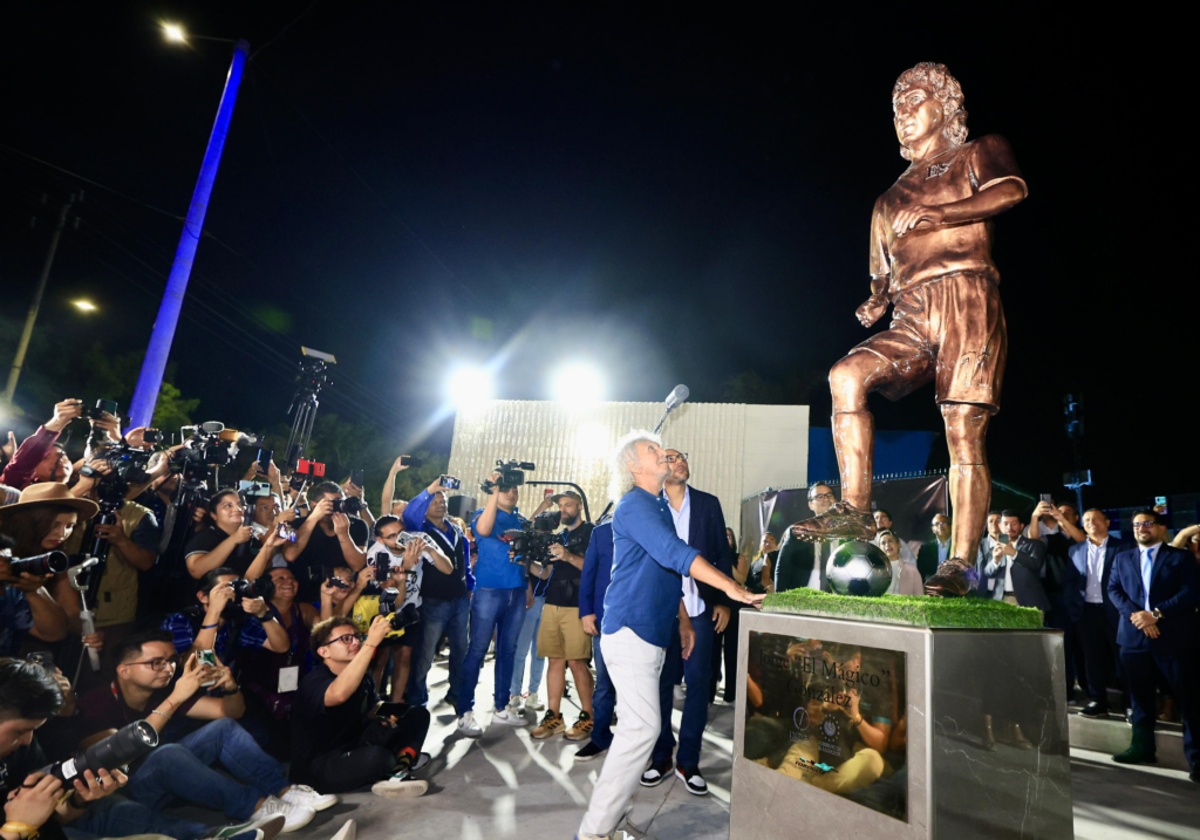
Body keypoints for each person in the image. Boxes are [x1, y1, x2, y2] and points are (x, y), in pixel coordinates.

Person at [790, 62, 1028, 571]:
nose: (902, 114)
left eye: (913, 101)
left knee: (962, 428)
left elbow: (1013, 190)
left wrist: (945, 213)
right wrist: (876, 298)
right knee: (845, 375)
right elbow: (882, 273)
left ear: (943, 106)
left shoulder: (975, 153)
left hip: (967, 296)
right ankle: (854, 507)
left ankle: (960, 561)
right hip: (911, 312)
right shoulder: (887, 199)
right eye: (895, 107)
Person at [576, 431, 762, 840]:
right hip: (629, 630)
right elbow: (676, 554)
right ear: (633, 466)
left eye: (663, 450)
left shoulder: (656, 504)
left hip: (652, 631)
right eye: (652, 451)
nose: (663, 455)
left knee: (637, 730)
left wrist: (681, 620)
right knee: (642, 729)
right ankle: (592, 832)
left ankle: (614, 817)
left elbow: (664, 572)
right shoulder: (635, 504)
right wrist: (732, 588)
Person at [74, 629, 334, 832]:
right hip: (118, 794)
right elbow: (111, 759)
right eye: (156, 663)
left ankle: (286, 792)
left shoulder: (160, 691)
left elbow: (229, 712)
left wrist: (231, 687)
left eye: (171, 661)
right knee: (168, 754)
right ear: (124, 671)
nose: (168, 669)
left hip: (160, 778)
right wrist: (174, 699)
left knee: (222, 728)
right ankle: (258, 808)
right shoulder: (96, 702)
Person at [0, 659, 257, 840]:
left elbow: (52, 821)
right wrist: (15, 828)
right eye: (20, 731)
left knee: (116, 805)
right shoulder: (101, 701)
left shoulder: (23, 749)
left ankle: (219, 829)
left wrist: (79, 800)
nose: (26, 740)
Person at [640, 450, 734, 795]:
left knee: (699, 685)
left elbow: (722, 555)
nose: (680, 462)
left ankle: (688, 760)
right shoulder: (650, 506)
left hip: (702, 609)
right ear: (660, 468)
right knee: (661, 684)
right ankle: (661, 755)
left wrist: (723, 600)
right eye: (671, 458)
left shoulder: (708, 504)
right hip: (662, 611)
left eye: (683, 458)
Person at [290, 615, 431, 798]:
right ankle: (394, 763)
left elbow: (372, 707)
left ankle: (398, 769)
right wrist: (370, 644)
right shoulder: (314, 681)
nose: (356, 642)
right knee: (377, 757)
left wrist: (390, 715)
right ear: (324, 652)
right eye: (346, 639)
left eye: (357, 637)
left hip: (353, 744)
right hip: (320, 766)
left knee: (416, 713)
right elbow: (338, 695)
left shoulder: (362, 674)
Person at [1106, 510, 1200, 781]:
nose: (1141, 528)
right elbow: (1114, 590)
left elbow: (1190, 592)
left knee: (1189, 700)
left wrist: (1156, 614)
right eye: (1136, 525)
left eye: (1147, 524)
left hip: (1173, 638)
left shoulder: (1179, 557)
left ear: (1160, 529)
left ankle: (1197, 760)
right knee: (1140, 699)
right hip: (1134, 639)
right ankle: (1142, 750)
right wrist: (1139, 618)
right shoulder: (1122, 557)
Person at [456, 472, 531, 736]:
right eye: (505, 490)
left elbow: (526, 558)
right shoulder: (481, 514)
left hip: (517, 591)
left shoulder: (520, 520)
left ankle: (502, 706)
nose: (511, 494)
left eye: (514, 490)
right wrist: (493, 491)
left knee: (508, 650)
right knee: (477, 650)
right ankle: (464, 711)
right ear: (496, 492)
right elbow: (485, 531)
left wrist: (528, 586)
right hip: (489, 591)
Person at [530, 491, 595, 741]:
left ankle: (587, 716)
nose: (563, 509)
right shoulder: (558, 536)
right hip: (552, 603)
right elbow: (545, 573)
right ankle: (553, 717)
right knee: (554, 661)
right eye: (561, 506)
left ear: (579, 507)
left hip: (578, 606)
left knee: (577, 661)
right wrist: (524, 564)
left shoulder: (591, 532)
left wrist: (567, 555)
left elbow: (593, 567)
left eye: (569, 505)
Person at [401, 480, 472, 708]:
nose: (441, 505)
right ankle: (416, 698)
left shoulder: (457, 531)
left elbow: (465, 565)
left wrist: (469, 588)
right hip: (433, 600)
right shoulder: (419, 530)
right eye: (435, 501)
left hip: (460, 600)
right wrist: (429, 490)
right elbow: (410, 511)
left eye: (443, 501)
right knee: (426, 653)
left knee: (461, 649)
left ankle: (457, 693)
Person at [0, 485, 90, 655]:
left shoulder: (54, 560)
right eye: (54, 525)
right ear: (29, 521)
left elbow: (68, 624)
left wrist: (88, 633)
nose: (62, 533)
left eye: (70, 526)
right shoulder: (4, 551)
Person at [239, 567, 321, 754]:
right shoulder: (255, 612)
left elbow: (325, 636)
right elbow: (281, 646)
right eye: (280, 578)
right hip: (258, 692)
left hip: (293, 689)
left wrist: (327, 597)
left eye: (292, 578)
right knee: (268, 741)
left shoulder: (303, 610)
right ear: (266, 585)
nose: (289, 582)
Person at [162, 568, 290, 666]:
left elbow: (281, 647)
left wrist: (264, 614)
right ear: (203, 597)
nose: (233, 594)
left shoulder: (238, 620)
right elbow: (193, 667)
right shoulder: (181, 621)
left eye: (238, 588)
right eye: (227, 588)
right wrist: (214, 612)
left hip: (220, 690)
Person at [1069, 509, 1128, 719]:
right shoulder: (1075, 550)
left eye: (1096, 519)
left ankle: (1129, 704)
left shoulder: (1123, 547)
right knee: (1092, 659)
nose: (1091, 522)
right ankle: (1098, 701)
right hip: (1087, 613)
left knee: (1123, 658)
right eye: (1086, 520)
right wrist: (1074, 608)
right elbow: (1072, 582)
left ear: (1107, 522)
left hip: (1116, 613)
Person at [281, 482, 369, 601]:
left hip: (342, 595)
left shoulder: (358, 525)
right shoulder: (294, 524)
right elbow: (290, 555)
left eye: (340, 502)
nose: (336, 507)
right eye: (331, 503)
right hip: (305, 595)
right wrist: (314, 517)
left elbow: (357, 565)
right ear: (314, 505)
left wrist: (344, 534)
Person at [575, 518, 615, 762]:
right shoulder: (601, 533)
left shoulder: (652, 526)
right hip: (604, 621)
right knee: (604, 686)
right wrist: (586, 612)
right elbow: (588, 574)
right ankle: (600, 738)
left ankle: (649, 744)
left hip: (640, 622)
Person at [183, 490, 281, 582]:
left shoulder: (251, 538)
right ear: (213, 515)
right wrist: (234, 539)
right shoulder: (206, 536)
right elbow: (196, 571)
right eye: (228, 506)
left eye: (240, 505)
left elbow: (264, 569)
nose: (237, 509)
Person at [0, 400, 84, 491]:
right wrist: (58, 421)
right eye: (45, 457)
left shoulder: (92, 488)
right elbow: (22, 465)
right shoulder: (17, 489)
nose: (58, 460)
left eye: (61, 455)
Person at [773, 484, 838, 593]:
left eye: (829, 495)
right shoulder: (798, 532)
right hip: (804, 598)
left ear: (836, 501)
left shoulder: (848, 533)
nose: (825, 499)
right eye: (819, 497)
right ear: (811, 505)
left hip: (839, 600)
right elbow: (783, 570)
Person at [983, 511, 1050, 610]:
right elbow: (987, 572)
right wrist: (995, 561)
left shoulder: (1034, 545)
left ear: (1021, 526)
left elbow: (1035, 564)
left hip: (1029, 602)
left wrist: (1014, 553)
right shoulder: (997, 547)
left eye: (1014, 524)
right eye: (1005, 524)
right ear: (1000, 526)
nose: (1009, 528)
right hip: (1001, 600)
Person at [711, 526, 747, 703]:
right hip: (715, 606)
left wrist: (726, 561)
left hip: (734, 607)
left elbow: (741, 579)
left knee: (732, 652)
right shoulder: (711, 556)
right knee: (713, 652)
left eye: (729, 536)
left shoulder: (739, 558)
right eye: (723, 535)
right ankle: (710, 691)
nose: (726, 539)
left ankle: (731, 694)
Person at [877, 530, 923, 595]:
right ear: (879, 548)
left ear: (899, 544)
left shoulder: (911, 569)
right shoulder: (876, 569)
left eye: (890, 541)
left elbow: (919, 595)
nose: (887, 545)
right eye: (883, 543)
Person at [916, 514, 952, 582]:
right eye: (937, 524)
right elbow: (920, 573)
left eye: (944, 523)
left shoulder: (958, 546)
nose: (940, 526)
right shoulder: (925, 549)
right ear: (933, 529)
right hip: (932, 586)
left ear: (951, 526)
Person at [975, 511, 1003, 597]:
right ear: (987, 527)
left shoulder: (1010, 542)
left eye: (998, 520)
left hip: (1007, 593)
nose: (994, 523)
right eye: (991, 521)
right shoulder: (979, 545)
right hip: (985, 593)